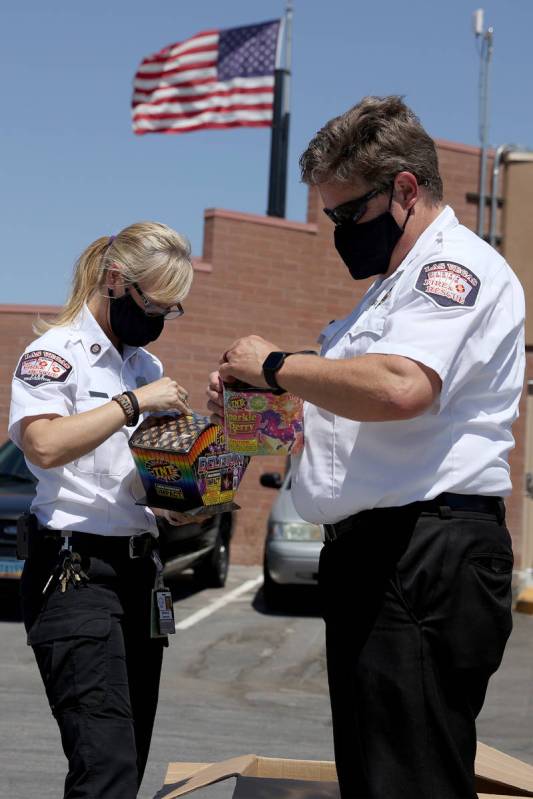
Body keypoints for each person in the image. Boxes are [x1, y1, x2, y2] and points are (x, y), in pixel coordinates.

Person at [207, 97, 526, 799]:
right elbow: (344, 413)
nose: (338, 233)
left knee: (406, 782)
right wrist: (257, 400)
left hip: (421, 550)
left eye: (347, 215)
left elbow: (399, 387)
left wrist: (274, 364)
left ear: (404, 190)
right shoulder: (386, 297)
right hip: (375, 552)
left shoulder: (454, 271)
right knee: (377, 777)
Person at [9, 221, 194, 799]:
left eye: (174, 309)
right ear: (117, 281)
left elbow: (138, 478)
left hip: (140, 572)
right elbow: (43, 444)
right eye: (156, 303)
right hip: (75, 573)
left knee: (128, 761)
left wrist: (183, 499)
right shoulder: (54, 354)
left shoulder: (145, 367)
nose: (161, 319)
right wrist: (132, 403)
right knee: (104, 764)